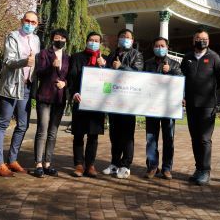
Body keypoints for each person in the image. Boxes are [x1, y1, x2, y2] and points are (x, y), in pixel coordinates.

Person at [0, 11, 41, 177]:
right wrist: (25, 62)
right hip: (11, 86)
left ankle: (12, 159)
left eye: (33, 22)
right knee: (3, 124)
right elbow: (8, 61)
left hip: (26, 87)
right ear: (22, 21)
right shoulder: (12, 36)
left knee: (23, 125)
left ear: (37, 25)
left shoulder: (36, 39)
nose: (30, 24)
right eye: (27, 21)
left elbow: (37, 63)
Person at [180, 28, 220, 186]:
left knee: (204, 139)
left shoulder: (214, 57)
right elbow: (181, 78)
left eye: (204, 38)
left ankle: (205, 171)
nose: (201, 41)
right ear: (193, 40)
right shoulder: (187, 58)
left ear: (209, 41)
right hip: (191, 105)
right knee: (195, 138)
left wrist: (209, 91)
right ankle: (198, 168)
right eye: (198, 38)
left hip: (207, 106)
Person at [103, 28, 144, 179]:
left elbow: (138, 74)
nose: (125, 39)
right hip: (113, 100)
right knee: (114, 134)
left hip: (128, 101)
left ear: (132, 41)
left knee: (127, 134)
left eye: (128, 37)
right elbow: (106, 76)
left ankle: (126, 165)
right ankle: (114, 163)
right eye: (122, 36)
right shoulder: (111, 55)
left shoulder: (136, 55)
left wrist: (121, 67)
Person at [68, 31, 107, 178]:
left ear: (100, 43)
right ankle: (79, 164)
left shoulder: (104, 60)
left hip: (97, 104)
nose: (93, 42)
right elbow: (71, 78)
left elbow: (110, 82)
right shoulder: (76, 57)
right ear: (86, 41)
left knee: (93, 135)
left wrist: (104, 67)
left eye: (96, 40)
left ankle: (90, 165)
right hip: (80, 101)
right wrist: (74, 93)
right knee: (78, 134)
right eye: (91, 40)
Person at [32, 28, 70, 178]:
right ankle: (38, 164)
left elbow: (69, 76)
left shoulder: (67, 57)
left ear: (66, 40)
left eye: (62, 38)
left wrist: (65, 83)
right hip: (45, 96)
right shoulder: (43, 54)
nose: (59, 40)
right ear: (52, 39)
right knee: (42, 129)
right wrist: (51, 66)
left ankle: (47, 163)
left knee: (53, 132)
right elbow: (39, 73)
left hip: (59, 99)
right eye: (57, 37)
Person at [143, 37, 182, 180]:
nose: (159, 48)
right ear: (153, 47)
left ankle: (167, 168)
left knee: (168, 138)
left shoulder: (175, 64)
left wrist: (170, 71)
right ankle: (152, 167)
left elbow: (181, 81)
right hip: (151, 106)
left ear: (167, 47)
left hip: (168, 107)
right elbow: (142, 82)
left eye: (162, 46)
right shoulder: (147, 63)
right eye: (157, 46)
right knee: (151, 138)